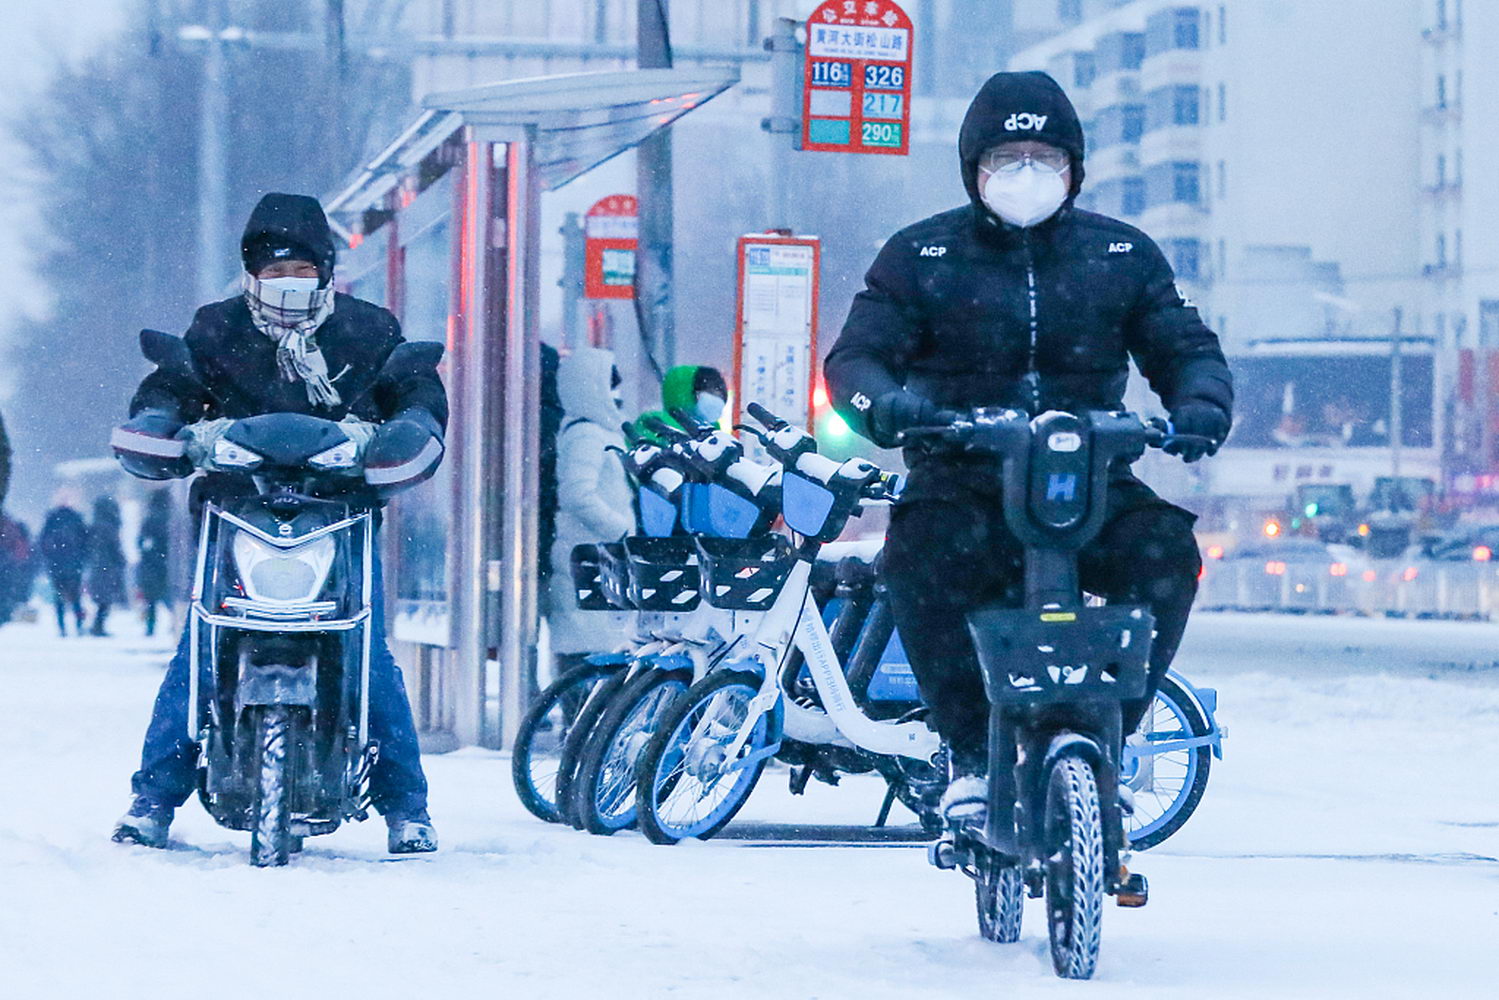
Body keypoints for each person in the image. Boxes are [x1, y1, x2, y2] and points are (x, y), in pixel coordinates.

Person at [824, 72, 1233, 828]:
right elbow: (855, 359)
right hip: (962, 478)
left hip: (1089, 481)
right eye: (1004, 155)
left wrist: (1200, 403)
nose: (1024, 171)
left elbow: (1184, 348)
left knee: (1165, 552)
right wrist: (887, 406)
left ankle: (1111, 730)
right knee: (918, 556)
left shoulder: (1121, 254)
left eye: (1043, 154)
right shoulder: (920, 255)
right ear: (971, 167)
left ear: (1074, 166)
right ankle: (969, 752)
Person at [110, 193, 447, 854]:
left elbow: (412, 392)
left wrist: (407, 428)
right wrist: (163, 424)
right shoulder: (215, 328)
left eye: (300, 270)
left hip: (339, 516)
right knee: (198, 650)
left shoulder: (368, 330)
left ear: (324, 269)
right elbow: (170, 388)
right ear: (249, 272)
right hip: (235, 512)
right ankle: (152, 799)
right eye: (272, 271)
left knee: (368, 651)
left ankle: (407, 807)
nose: (286, 283)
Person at [546, 347, 635, 676]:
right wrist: (622, 530)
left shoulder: (600, 432)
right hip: (587, 559)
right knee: (587, 660)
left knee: (597, 653)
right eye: (611, 385)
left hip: (596, 559)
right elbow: (577, 494)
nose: (617, 394)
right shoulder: (586, 435)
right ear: (590, 386)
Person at [634, 364, 729, 441]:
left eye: (720, 396)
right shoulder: (654, 422)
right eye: (710, 392)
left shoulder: (715, 433)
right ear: (687, 393)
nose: (717, 400)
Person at [38, 500, 89, 637]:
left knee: (59, 598)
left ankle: (62, 628)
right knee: (76, 597)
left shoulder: (52, 520)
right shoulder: (76, 520)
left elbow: (42, 542)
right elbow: (86, 543)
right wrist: (81, 560)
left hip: (56, 565)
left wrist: (49, 560)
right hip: (74, 565)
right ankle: (79, 625)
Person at [85, 496, 127, 637]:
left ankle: (97, 626)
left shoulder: (94, 527)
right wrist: (121, 560)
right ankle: (98, 627)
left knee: (102, 600)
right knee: (105, 600)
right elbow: (115, 549)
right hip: (107, 568)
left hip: (98, 567)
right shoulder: (110, 527)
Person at [136, 490, 172, 637]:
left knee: (151, 601)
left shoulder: (149, 519)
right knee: (168, 597)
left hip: (150, 566)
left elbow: (141, 542)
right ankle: (177, 623)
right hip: (166, 564)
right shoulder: (170, 519)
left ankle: (150, 628)